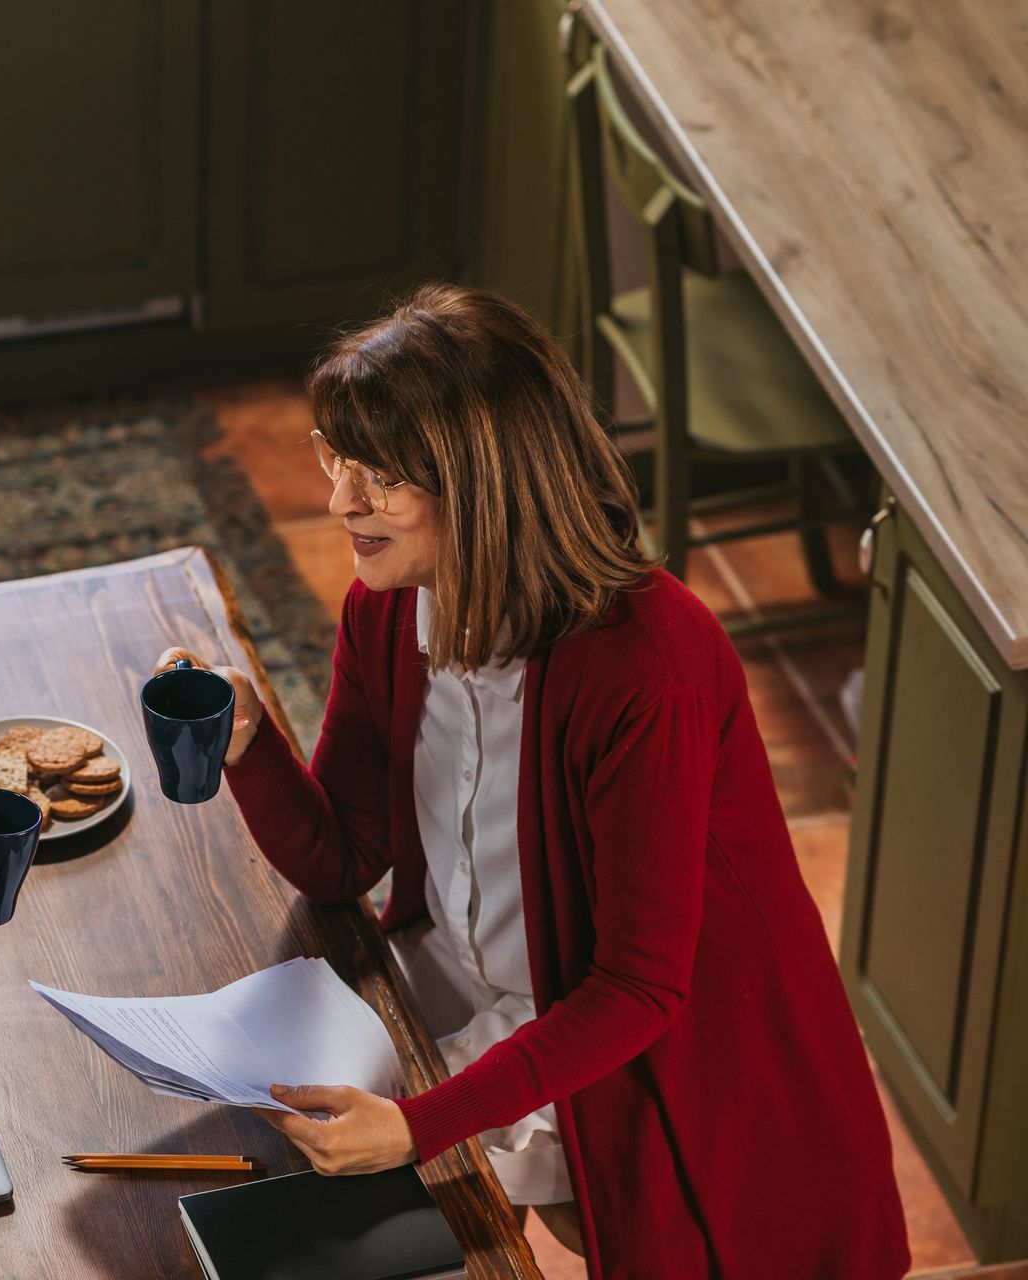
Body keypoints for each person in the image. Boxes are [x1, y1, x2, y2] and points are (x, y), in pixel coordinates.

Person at [157, 284, 908, 1278]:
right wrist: (250, 743)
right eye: (334, 456)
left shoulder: (649, 664)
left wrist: (422, 1126)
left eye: (379, 475)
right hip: (482, 1006)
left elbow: (638, 984)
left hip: (666, 1072)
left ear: (479, 487)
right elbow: (341, 858)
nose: (340, 500)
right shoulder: (389, 613)